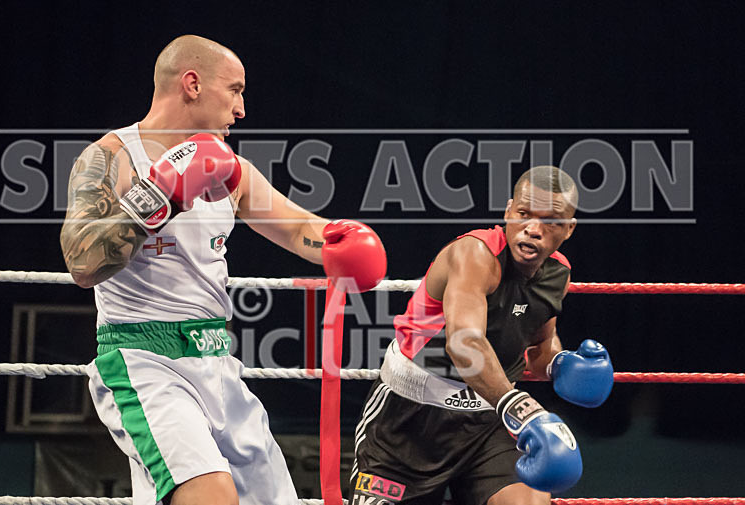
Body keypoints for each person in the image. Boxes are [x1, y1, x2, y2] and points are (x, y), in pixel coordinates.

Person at [59, 35, 386, 505]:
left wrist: (341, 243)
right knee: (209, 493)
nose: (241, 109)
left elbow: (298, 228)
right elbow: (82, 262)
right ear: (192, 84)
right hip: (144, 360)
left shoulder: (229, 170)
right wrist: (163, 194)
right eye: (234, 90)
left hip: (217, 363)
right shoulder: (113, 158)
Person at [348, 166, 614, 505]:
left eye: (550, 221)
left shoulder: (557, 273)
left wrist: (559, 364)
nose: (533, 229)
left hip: (488, 422)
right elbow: (465, 344)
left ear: (569, 228)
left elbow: (537, 346)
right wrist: (524, 412)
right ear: (508, 211)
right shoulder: (474, 255)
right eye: (524, 214)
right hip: (409, 421)